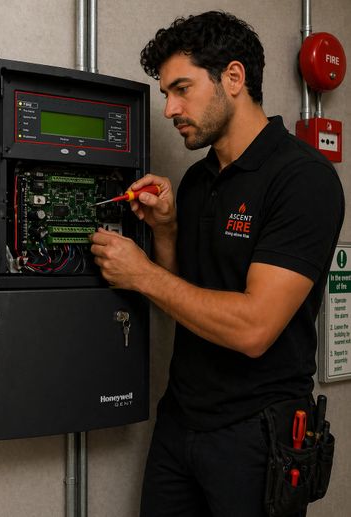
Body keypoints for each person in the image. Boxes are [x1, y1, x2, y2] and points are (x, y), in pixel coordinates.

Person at [90, 11, 344, 517]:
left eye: (181, 89)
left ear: (233, 77)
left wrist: (141, 273)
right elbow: (184, 297)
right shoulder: (198, 180)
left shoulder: (302, 179)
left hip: (257, 435)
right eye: (165, 93)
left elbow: (253, 327)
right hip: (181, 422)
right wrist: (166, 229)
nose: (169, 109)